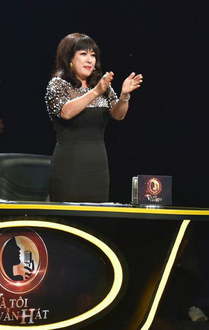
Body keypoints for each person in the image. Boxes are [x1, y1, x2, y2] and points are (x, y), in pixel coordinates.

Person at [45, 33, 143, 203]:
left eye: (93, 55)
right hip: (69, 165)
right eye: (83, 54)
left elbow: (118, 115)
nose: (89, 60)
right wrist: (96, 91)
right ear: (69, 58)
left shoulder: (101, 85)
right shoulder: (58, 84)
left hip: (98, 166)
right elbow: (66, 112)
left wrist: (124, 96)